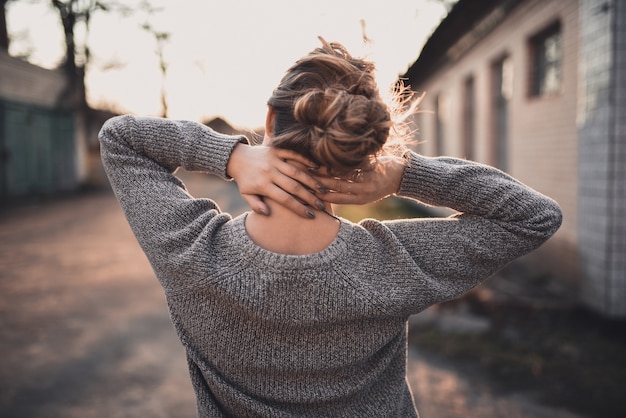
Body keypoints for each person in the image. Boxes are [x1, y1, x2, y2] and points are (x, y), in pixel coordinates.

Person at [99, 38, 562, 418]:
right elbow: (533, 216)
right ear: (364, 149)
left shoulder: (192, 252)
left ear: (267, 121)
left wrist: (230, 156)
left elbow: (120, 139)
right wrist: (404, 174)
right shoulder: (392, 265)